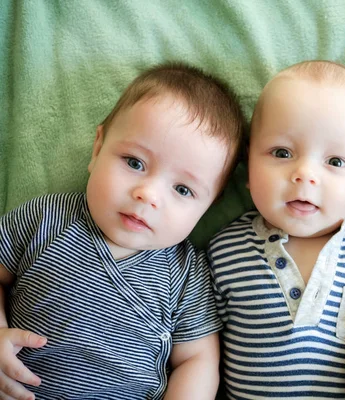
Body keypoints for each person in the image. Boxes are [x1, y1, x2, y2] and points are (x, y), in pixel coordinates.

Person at [0, 62, 244, 400]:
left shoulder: (186, 272)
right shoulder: (46, 218)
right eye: (134, 163)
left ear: (208, 207)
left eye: (183, 190)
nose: (148, 195)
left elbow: (198, 359)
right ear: (97, 148)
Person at [207, 60, 345, 399]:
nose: (305, 174)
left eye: (335, 162)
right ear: (247, 165)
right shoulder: (223, 250)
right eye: (282, 153)